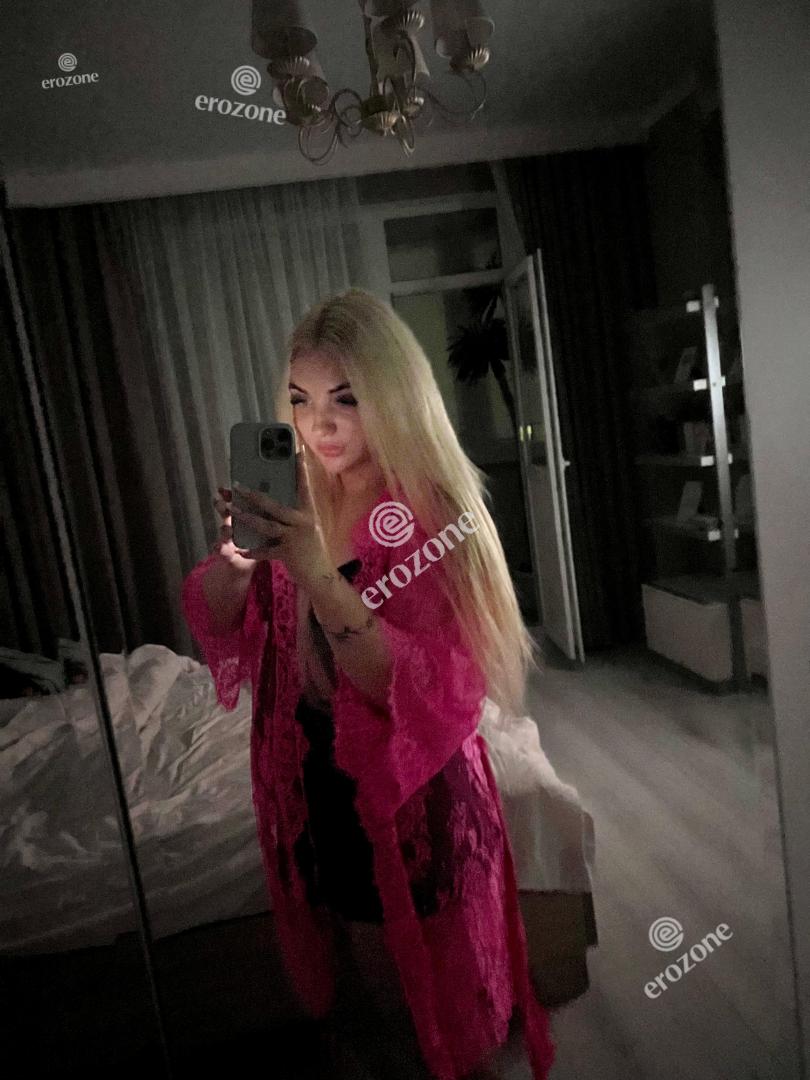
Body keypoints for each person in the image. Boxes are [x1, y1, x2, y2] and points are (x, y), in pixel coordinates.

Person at [181, 288, 556, 1080]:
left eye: (345, 400)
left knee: (426, 1011)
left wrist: (315, 569)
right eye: (300, 399)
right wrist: (242, 559)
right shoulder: (302, 494)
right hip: (309, 782)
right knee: (354, 999)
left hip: (408, 792)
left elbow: (411, 685)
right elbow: (216, 618)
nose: (319, 425)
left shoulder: (432, 513)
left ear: (392, 395)